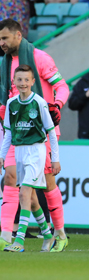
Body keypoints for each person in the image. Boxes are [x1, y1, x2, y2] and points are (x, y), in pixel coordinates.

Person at [0, 19, 69, 251]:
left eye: (5, 38)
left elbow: (62, 86)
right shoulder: (4, 64)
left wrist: (57, 105)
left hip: (40, 135)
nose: (1, 43)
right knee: (11, 179)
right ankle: (6, 235)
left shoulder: (39, 58)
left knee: (47, 186)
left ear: (18, 36)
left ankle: (58, 233)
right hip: (16, 134)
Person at [0, 66, 60, 252]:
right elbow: (8, 134)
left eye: (27, 80)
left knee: (24, 193)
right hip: (19, 152)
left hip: (36, 151)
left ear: (33, 82)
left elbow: (51, 132)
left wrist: (55, 159)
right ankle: (48, 236)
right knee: (32, 199)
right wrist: (2, 156)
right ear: (14, 82)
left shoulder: (39, 103)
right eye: (19, 79)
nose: (23, 83)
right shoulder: (11, 103)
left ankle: (19, 241)